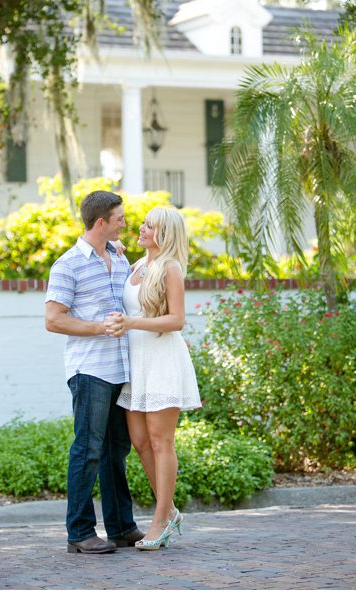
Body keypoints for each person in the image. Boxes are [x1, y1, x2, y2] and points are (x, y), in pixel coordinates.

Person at [45, 190, 144, 554]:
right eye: (120, 218)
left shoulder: (119, 257)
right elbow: (53, 320)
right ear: (101, 222)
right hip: (89, 371)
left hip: (121, 368)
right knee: (87, 450)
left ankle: (121, 527)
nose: (125, 223)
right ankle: (80, 532)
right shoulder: (67, 264)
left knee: (115, 450)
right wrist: (101, 327)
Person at [103, 205, 201, 551]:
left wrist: (132, 323)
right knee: (140, 442)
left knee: (162, 442)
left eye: (149, 226)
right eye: (143, 223)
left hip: (162, 361)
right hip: (136, 364)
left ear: (164, 234)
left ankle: (160, 521)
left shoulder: (170, 268)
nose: (140, 228)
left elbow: (176, 321)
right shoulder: (138, 265)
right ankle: (169, 509)